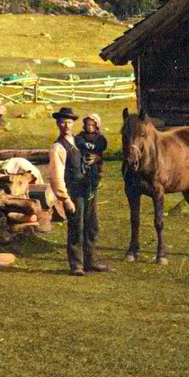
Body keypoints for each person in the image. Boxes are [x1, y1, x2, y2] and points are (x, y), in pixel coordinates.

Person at [46, 107, 111, 276]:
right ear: (57, 124)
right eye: (62, 122)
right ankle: (77, 265)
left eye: (69, 122)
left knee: (92, 225)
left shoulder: (80, 141)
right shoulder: (58, 147)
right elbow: (56, 175)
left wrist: (96, 158)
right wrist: (64, 198)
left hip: (88, 188)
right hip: (73, 191)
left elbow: (95, 154)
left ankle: (92, 261)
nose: (66, 125)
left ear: (74, 123)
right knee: (77, 226)